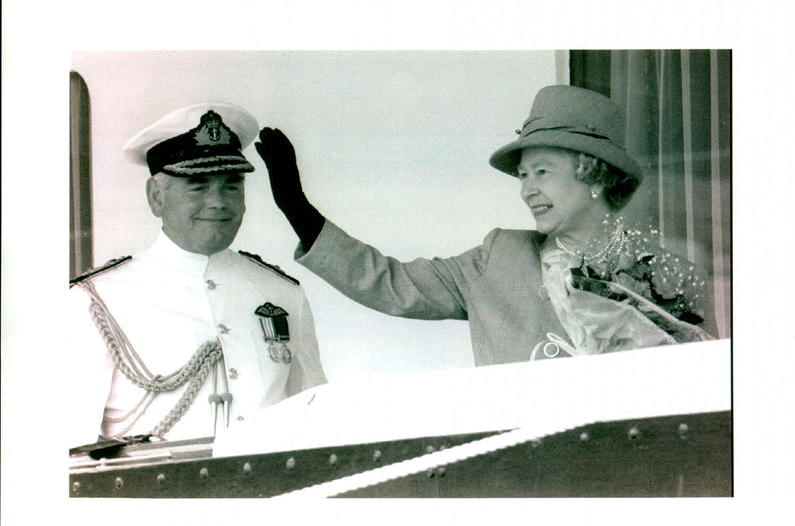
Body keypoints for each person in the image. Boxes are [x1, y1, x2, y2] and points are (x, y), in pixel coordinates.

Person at [255, 85, 714, 367]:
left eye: (543, 172)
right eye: (523, 175)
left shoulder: (672, 275)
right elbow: (389, 282)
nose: (527, 189)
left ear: (592, 174)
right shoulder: (498, 260)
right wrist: (296, 207)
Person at [68, 102, 326, 448]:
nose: (218, 202)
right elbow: (66, 452)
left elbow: (314, 424)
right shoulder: (98, 300)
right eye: (198, 186)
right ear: (156, 197)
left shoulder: (282, 294)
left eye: (231, 186)